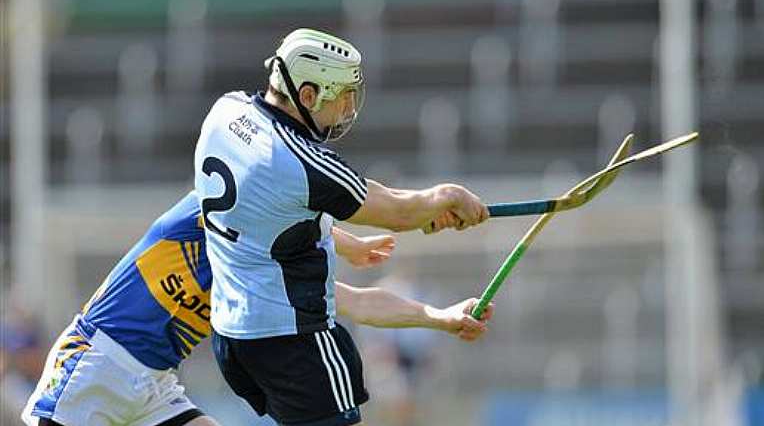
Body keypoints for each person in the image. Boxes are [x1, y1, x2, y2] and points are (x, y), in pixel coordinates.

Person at [193, 28, 489, 426]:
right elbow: (397, 211)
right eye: (342, 96)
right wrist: (446, 196)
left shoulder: (225, 112)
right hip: (293, 341)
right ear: (309, 95)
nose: (349, 108)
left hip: (234, 336)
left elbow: (270, 204)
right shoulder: (303, 163)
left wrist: (438, 316)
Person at [21, 192, 493, 426]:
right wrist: (350, 244)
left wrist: (441, 317)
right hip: (95, 364)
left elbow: (360, 303)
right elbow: (292, 211)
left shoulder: (257, 273)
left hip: (153, 385)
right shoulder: (209, 206)